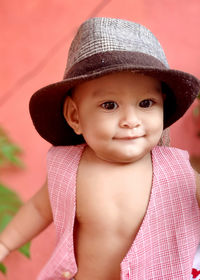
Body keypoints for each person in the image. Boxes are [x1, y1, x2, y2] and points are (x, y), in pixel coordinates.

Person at [0, 17, 200, 280]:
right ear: (74, 116)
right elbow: (38, 209)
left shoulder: (178, 171)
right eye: (109, 105)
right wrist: (4, 244)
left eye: (146, 103)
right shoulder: (68, 168)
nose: (131, 120)